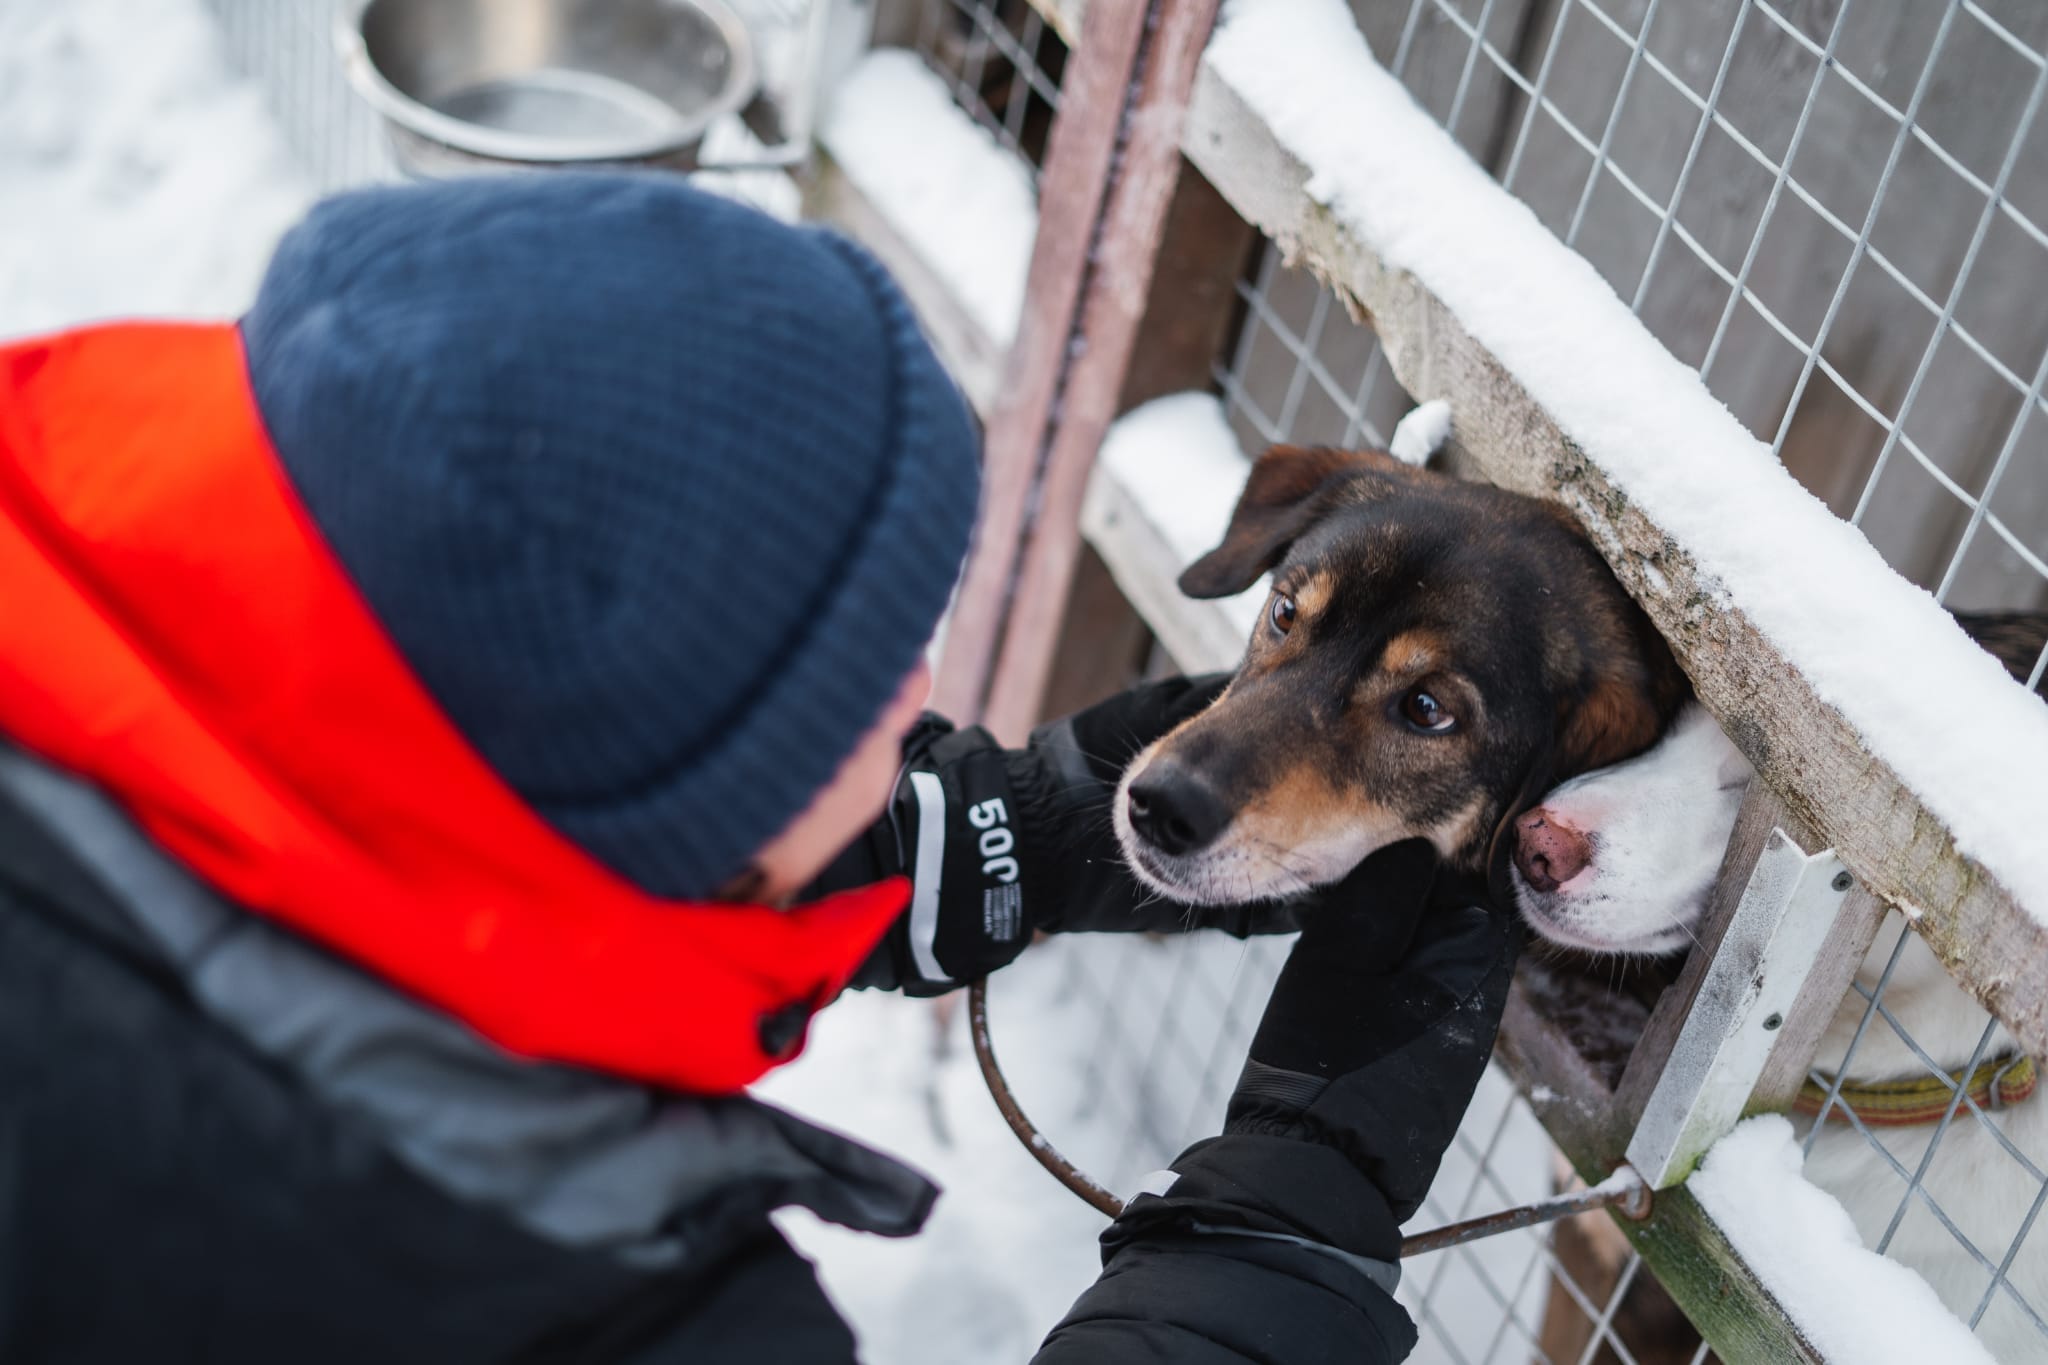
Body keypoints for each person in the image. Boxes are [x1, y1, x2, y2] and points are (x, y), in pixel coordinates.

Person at [0, 172, 1515, 1363]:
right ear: (692, 776)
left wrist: (978, 841)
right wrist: (1288, 1213)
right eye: (873, 667)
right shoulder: (588, 1301)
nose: (916, 690)